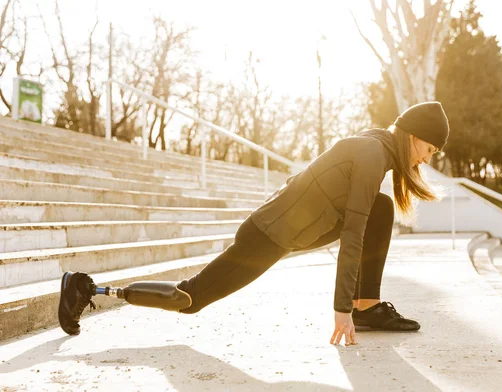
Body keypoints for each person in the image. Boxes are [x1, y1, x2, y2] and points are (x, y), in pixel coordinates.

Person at [58, 101, 449, 346]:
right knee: (190, 299)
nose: (426, 160)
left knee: (381, 207)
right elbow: (351, 236)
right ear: (412, 136)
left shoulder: (375, 148)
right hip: (266, 236)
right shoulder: (370, 154)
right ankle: (86, 286)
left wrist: (353, 306)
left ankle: (369, 307)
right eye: (428, 149)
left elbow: (357, 218)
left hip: (281, 234)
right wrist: (339, 309)